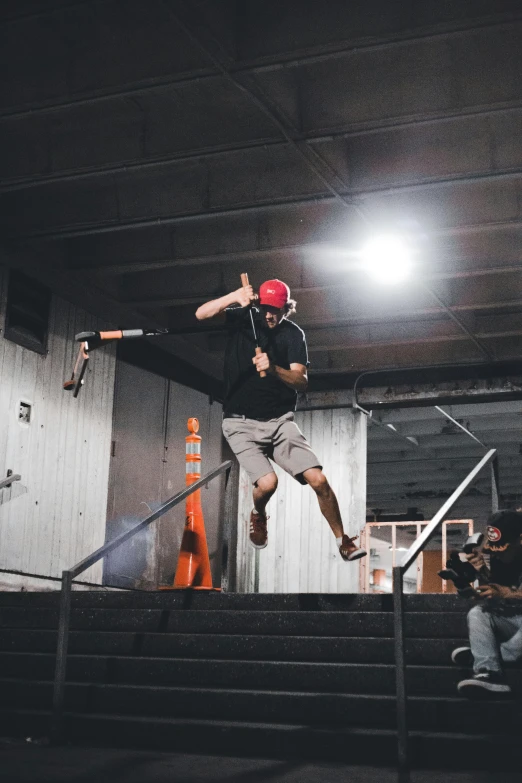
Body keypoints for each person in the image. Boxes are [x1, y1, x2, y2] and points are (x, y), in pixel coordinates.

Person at [195, 278, 366, 562]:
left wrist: (273, 369)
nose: (270, 315)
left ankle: (342, 541)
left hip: (279, 422)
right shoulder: (243, 318)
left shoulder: (293, 335)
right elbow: (201, 314)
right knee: (269, 483)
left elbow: (301, 380)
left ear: (287, 308)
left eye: (276, 310)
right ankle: (259, 514)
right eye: (265, 309)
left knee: (319, 480)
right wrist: (234, 296)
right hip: (240, 423)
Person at [451, 510, 522, 697]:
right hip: (514, 621)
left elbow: (507, 591)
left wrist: (508, 593)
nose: (499, 555)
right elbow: (497, 587)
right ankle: (489, 673)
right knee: (478, 613)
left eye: (505, 548)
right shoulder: (500, 556)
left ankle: (490, 652)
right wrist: (481, 569)